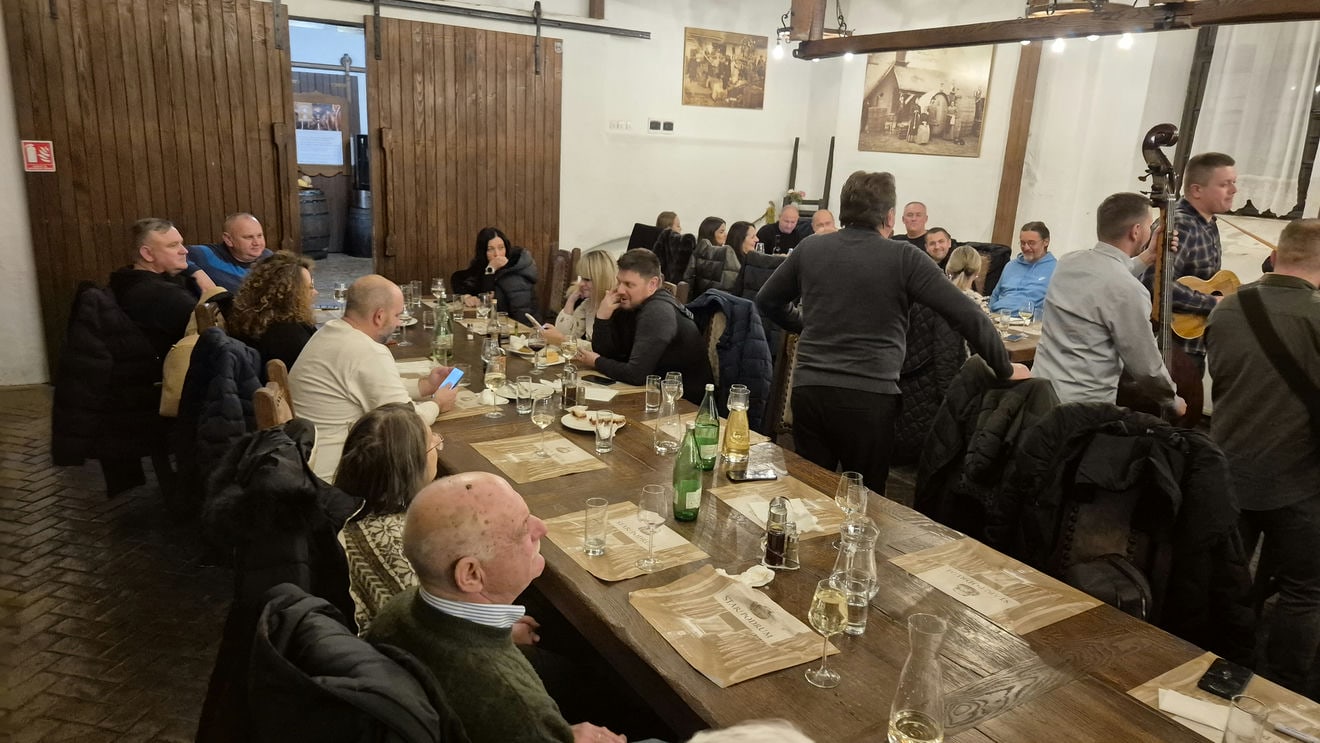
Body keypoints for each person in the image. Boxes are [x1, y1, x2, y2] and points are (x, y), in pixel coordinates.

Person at [756, 171, 1028, 488]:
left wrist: (804, 323)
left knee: (811, 493)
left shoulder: (811, 248)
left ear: (843, 211)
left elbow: (767, 300)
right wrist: (1003, 367)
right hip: (870, 397)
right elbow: (968, 315)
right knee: (864, 498)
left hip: (811, 391)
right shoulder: (904, 257)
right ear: (889, 217)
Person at [364, 472, 626, 743]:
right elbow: (513, 715)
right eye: (523, 529)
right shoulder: (514, 704)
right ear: (471, 574)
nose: (541, 528)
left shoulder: (399, 608)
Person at [1206, 218, 1320, 698]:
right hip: (1301, 479)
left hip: (1229, 469)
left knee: (1227, 583)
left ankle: (1216, 675)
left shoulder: (1227, 309)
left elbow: (1223, 382)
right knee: (1304, 591)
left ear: (1276, 254)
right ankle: (1284, 691)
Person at [289, 275, 459, 481]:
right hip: (332, 479)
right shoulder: (365, 350)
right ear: (379, 316)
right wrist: (438, 403)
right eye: (397, 315)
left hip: (303, 466)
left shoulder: (330, 331)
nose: (399, 322)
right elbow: (406, 424)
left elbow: (366, 386)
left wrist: (424, 386)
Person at [1033, 193, 1184, 415]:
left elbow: (1108, 275)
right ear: (1136, 231)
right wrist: (1172, 399)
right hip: (1083, 410)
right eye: (1147, 225)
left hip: (1040, 394)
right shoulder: (1129, 290)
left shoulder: (1068, 262)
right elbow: (1147, 368)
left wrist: (1148, 256)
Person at [1141, 152, 1237, 424]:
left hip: (1194, 343)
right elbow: (1155, 283)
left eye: (1234, 182)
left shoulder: (1208, 224)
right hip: (1174, 348)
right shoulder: (1181, 225)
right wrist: (1211, 304)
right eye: (1225, 184)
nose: (1234, 190)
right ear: (1196, 190)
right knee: (1175, 426)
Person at [335, 403, 443, 628]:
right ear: (410, 467)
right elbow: (430, 629)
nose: (437, 445)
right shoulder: (392, 541)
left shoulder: (354, 510)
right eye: (432, 443)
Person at [573, 248, 712, 404]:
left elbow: (635, 374)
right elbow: (609, 354)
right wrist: (602, 316)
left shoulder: (657, 311)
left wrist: (596, 362)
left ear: (652, 284)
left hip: (684, 405)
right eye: (619, 282)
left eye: (629, 284)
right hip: (652, 394)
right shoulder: (632, 304)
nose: (620, 290)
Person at [110, 217, 217, 361]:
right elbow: (215, 333)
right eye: (173, 245)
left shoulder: (124, 280)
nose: (184, 251)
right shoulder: (161, 295)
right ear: (147, 254)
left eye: (181, 243)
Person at [226, 251, 318, 369]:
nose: (315, 292)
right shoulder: (287, 333)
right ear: (290, 294)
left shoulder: (256, 316)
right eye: (309, 288)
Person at [454, 227, 539, 322]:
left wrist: (490, 270)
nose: (497, 254)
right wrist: (466, 297)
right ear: (483, 252)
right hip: (495, 322)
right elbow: (457, 278)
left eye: (501, 248)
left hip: (519, 325)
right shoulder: (483, 267)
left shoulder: (515, 271)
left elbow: (489, 300)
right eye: (490, 249)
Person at [186, 212, 273, 294]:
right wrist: (197, 273)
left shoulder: (270, 258)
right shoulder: (208, 254)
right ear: (228, 239)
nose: (257, 243)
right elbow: (179, 255)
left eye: (259, 236)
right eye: (248, 237)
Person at [543, 250, 617, 345]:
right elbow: (564, 333)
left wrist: (563, 339)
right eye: (581, 278)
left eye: (587, 279)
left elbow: (600, 349)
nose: (581, 284)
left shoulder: (616, 308)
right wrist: (571, 300)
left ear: (602, 280)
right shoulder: (587, 303)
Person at [989, 221, 1057, 314]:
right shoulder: (1010, 266)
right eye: (1022, 243)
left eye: (1031, 243)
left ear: (1046, 242)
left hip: (1027, 320)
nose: (1026, 247)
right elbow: (995, 295)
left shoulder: (1055, 269)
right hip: (998, 317)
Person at [684, 215, 740, 296]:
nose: (726, 235)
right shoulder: (726, 253)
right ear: (710, 233)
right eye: (721, 232)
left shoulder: (697, 251)